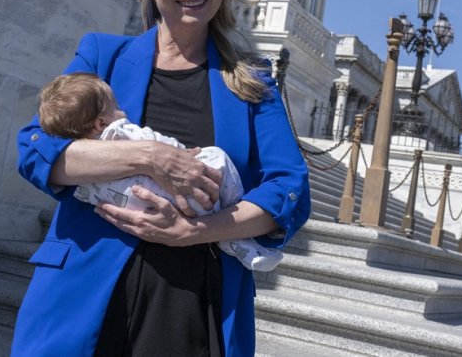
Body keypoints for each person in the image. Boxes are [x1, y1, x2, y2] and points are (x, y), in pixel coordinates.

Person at [12, 0, 310, 356]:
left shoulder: (251, 81)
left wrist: (193, 230)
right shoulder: (102, 56)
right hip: (85, 288)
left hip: (191, 297)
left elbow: (291, 191)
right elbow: (38, 151)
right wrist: (152, 157)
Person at [36, 71, 282, 272]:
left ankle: (232, 238)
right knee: (217, 157)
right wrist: (179, 154)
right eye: (116, 105)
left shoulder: (84, 178)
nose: (123, 111)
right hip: (184, 199)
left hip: (144, 209)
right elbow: (160, 146)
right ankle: (232, 223)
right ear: (101, 123)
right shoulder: (121, 130)